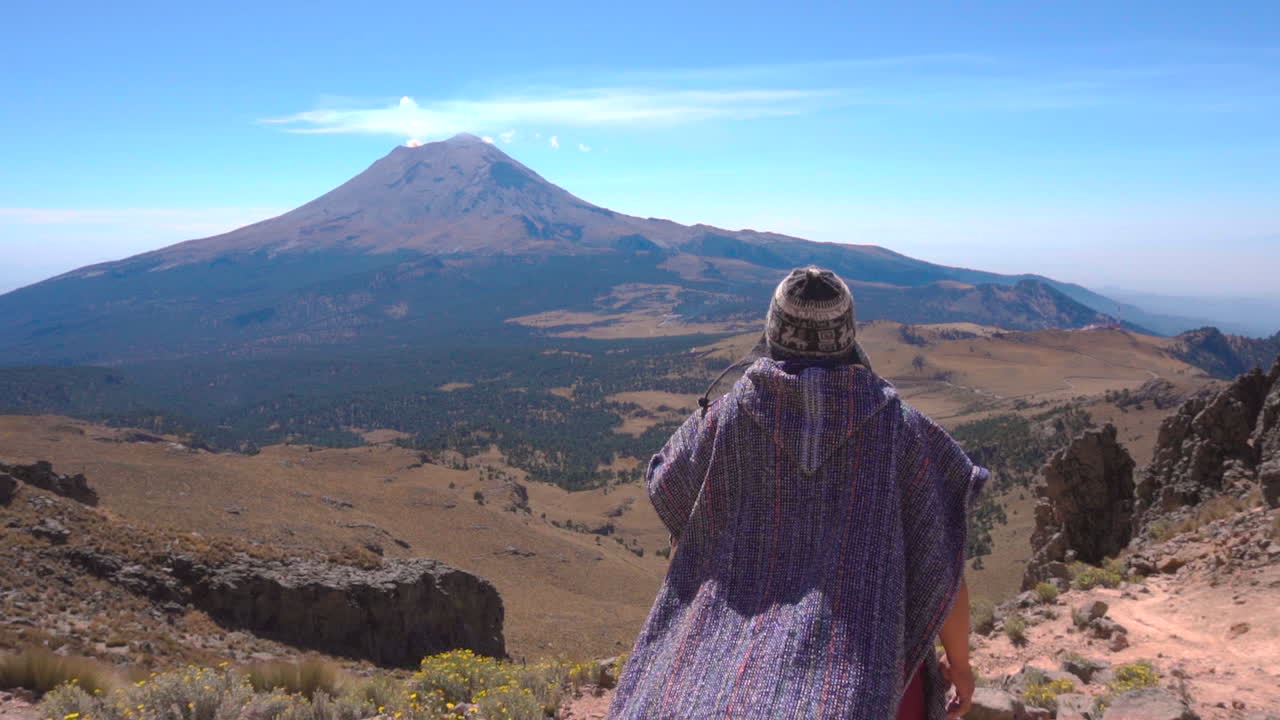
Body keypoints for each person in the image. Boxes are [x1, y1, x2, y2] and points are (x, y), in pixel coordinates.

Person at [608, 267, 987, 720]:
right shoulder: (904, 432)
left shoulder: (721, 421)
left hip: (722, 667)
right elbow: (941, 561)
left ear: (773, 329)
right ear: (847, 334)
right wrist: (960, 665)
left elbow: (684, 537)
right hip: (866, 674)